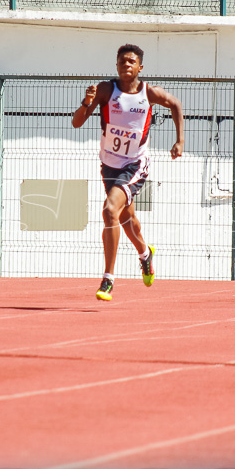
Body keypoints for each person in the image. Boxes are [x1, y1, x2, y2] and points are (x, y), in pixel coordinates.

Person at [71, 44, 184, 301]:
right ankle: (145, 254)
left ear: (140, 67)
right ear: (117, 65)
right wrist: (87, 102)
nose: (126, 65)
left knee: (110, 209)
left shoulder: (149, 93)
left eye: (131, 62)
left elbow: (175, 104)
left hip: (134, 164)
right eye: (122, 61)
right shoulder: (105, 90)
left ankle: (108, 278)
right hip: (109, 164)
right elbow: (77, 122)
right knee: (125, 216)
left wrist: (180, 141)